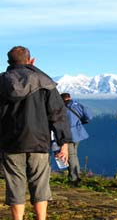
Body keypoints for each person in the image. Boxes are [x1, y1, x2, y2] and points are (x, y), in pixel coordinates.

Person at [0, 46, 71, 220]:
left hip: (10, 142)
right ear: (31, 60)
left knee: (15, 183)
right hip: (39, 141)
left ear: (9, 62)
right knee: (40, 182)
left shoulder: (2, 82)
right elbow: (58, 114)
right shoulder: (44, 82)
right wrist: (64, 143)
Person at [61, 92, 92, 186]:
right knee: (74, 154)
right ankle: (77, 175)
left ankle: (74, 178)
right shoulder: (78, 105)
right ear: (69, 97)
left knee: (71, 156)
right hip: (78, 133)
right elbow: (89, 117)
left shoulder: (62, 107)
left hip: (68, 134)